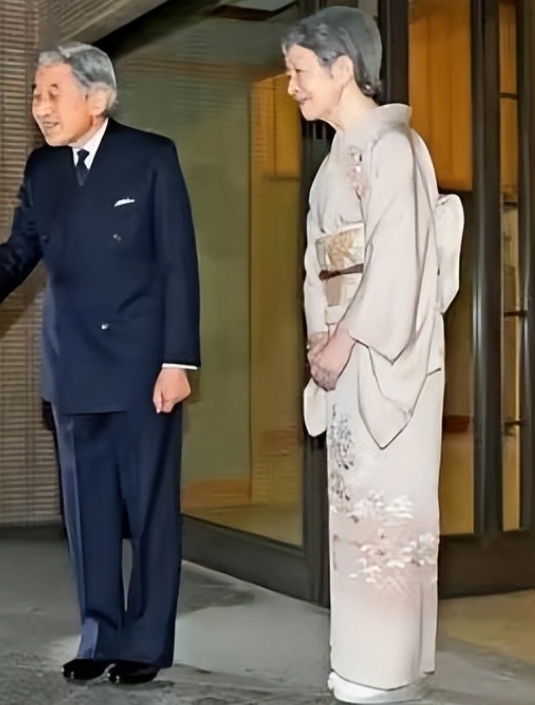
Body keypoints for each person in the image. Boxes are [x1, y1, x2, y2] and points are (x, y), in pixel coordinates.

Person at [0, 43, 200, 686]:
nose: (39, 108)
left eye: (51, 93)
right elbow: (18, 249)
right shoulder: (43, 170)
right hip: (72, 364)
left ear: (98, 97)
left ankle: (143, 643)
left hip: (145, 365)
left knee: (147, 509)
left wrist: (178, 360)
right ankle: (99, 635)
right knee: (86, 510)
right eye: (35, 94)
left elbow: (177, 264)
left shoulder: (151, 156)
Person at [284, 7, 461, 703]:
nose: (292, 86)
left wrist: (344, 335)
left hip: (381, 354)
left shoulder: (392, 148)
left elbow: (397, 264)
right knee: (357, 510)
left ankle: (381, 668)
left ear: (342, 70)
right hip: (347, 350)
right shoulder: (340, 157)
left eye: (300, 72)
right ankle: (361, 660)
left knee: (388, 511)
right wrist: (319, 336)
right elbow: (318, 269)